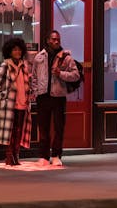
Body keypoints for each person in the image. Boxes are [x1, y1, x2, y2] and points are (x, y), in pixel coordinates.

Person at [31, 30, 80, 168]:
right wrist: (35, 91)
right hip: (43, 96)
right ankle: (43, 156)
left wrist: (61, 73)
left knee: (59, 127)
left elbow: (76, 75)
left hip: (58, 96)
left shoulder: (66, 58)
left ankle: (56, 155)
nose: (56, 41)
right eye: (53, 39)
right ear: (48, 40)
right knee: (43, 128)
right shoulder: (39, 57)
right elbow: (34, 76)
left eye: (58, 39)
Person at [0, 37, 33, 167]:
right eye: (15, 50)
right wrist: (4, 96)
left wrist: (29, 95)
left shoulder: (24, 66)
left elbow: (27, 83)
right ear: (9, 52)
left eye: (19, 49)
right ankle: (9, 156)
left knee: (19, 130)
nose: (18, 52)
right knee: (10, 131)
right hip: (10, 105)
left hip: (22, 103)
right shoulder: (5, 65)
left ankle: (16, 154)